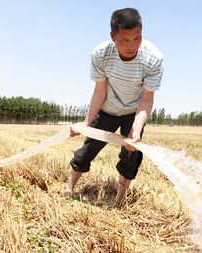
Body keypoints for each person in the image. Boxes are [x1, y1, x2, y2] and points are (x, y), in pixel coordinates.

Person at [67, 7, 164, 206]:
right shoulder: (101, 54)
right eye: (125, 40)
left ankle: (118, 201)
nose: (132, 45)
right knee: (88, 150)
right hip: (107, 109)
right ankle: (69, 189)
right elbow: (99, 91)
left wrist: (135, 131)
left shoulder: (153, 58)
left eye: (137, 38)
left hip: (133, 113)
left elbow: (147, 99)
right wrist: (86, 123)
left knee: (131, 156)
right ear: (113, 36)